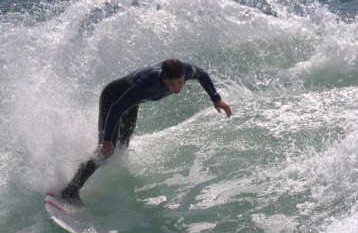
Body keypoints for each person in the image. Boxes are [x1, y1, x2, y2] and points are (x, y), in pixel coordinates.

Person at [60, 58, 232, 202]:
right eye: (172, 84)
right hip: (113, 99)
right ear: (164, 78)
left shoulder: (186, 70)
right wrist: (106, 140)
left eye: (180, 82)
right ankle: (71, 189)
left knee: (122, 146)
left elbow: (202, 74)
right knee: (106, 150)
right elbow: (116, 108)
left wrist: (216, 99)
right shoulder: (147, 83)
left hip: (131, 104)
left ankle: (92, 180)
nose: (177, 87)